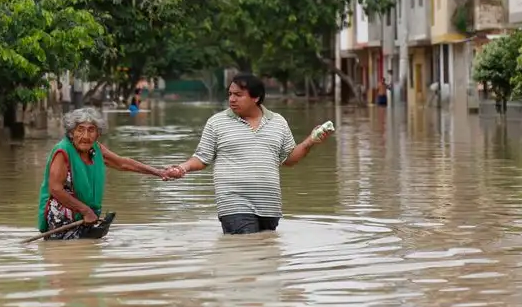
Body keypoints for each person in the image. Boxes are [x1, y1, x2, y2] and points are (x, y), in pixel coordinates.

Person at [165, 73, 331, 235]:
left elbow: (289, 160)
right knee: (246, 245)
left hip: (269, 205)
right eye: (230, 94)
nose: (232, 99)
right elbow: (201, 158)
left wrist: (310, 141)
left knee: (265, 249)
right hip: (233, 204)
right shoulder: (216, 123)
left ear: (256, 97)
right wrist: (182, 168)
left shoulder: (278, 122)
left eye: (238, 95)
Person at [37, 107, 169, 240]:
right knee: (66, 249)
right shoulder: (63, 151)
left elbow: (122, 163)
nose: (86, 136)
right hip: (62, 220)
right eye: (80, 129)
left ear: (98, 134)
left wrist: (159, 172)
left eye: (91, 130)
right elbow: (55, 189)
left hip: (85, 217)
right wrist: (85, 211)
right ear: (72, 132)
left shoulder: (96, 149)